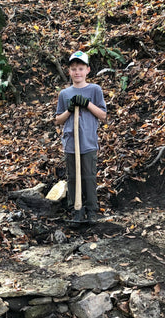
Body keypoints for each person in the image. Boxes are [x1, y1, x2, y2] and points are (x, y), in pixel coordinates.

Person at [55, 51, 107, 223]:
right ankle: (76, 209)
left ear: (87, 70)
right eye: (74, 69)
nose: (77, 72)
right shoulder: (64, 94)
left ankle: (92, 210)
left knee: (89, 176)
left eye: (80, 68)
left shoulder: (94, 90)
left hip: (89, 142)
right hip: (71, 142)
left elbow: (103, 115)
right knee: (72, 177)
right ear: (69, 71)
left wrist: (87, 103)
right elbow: (58, 120)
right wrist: (69, 110)